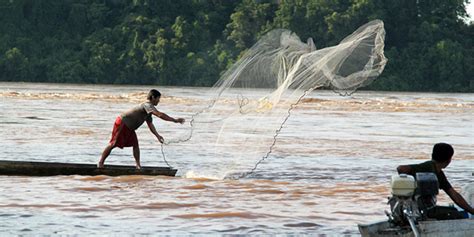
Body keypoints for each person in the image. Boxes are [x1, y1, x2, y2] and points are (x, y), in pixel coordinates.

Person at [98, 89, 185, 169]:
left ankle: (138, 165)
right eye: (158, 98)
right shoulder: (147, 105)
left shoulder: (148, 112)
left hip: (130, 127)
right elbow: (159, 114)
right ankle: (101, 163)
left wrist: (158, 136)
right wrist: (175, 120)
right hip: (122, 123)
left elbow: (150, 125)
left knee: (135, 145)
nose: (159, 101)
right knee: (113, 143)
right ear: (153, 97)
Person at [397, 143, 474, 219]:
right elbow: (401, 168)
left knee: (453, 210)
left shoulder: (439, 173)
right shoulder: (427, 166)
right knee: (458, 215)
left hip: (426, 209)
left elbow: (454, 195)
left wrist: (471, 210)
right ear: (449, 160)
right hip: (422, 210)